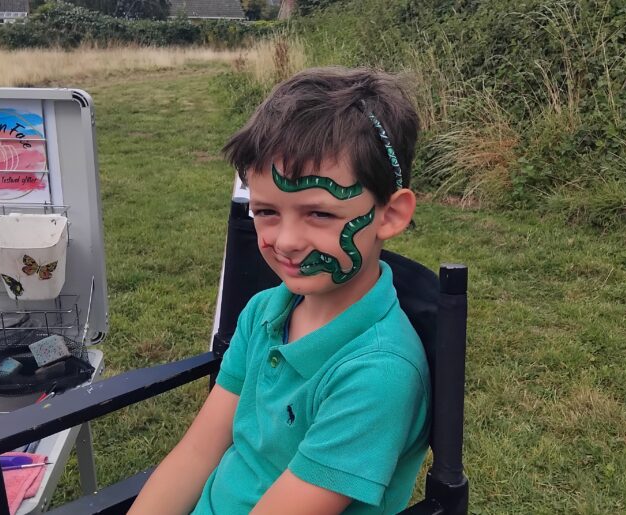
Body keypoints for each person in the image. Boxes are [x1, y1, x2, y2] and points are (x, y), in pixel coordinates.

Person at [129, 66, 430, 515]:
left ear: (389, 215)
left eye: (320, 214)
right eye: (266, 211)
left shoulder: (377, 374)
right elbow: (197, 454)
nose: (284, 241)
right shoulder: (264, 312)